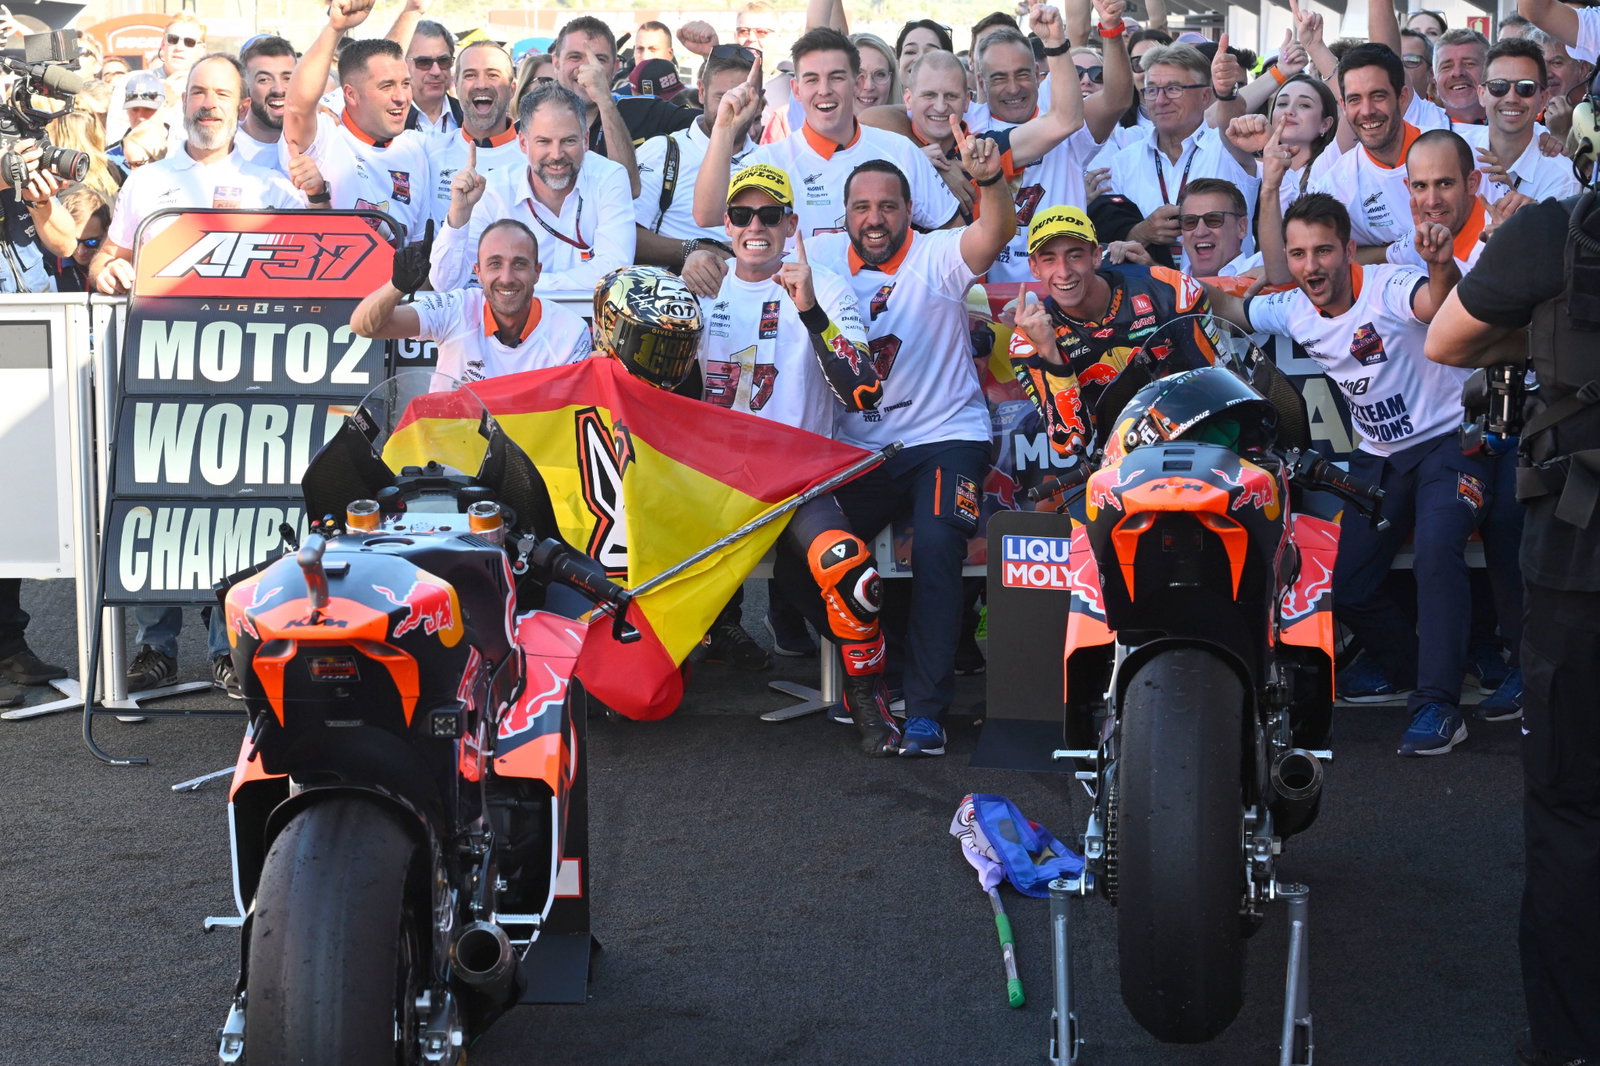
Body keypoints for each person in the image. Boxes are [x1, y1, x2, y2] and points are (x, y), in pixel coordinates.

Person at [1424, 89, 1600, 1066]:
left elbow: (1448, 339)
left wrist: (1545, 336)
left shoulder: (1550, 233)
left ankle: (1571, 1043)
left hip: (1579, 562)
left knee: (1570, 806)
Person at [1205, 192, 1491, 757]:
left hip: (1447, 443)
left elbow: (1440, 304)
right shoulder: (1290, 307)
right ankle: (1421, 671)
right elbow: (1231, 309)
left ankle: (1438, 705)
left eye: (1324, 251)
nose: (1313, 266)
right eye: (1300, 254)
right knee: (1347, 583)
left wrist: (1438, 263)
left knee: (1436, 551)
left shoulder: (1389, 285)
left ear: (1349, 249)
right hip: (1379, 456)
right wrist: (1152, 279)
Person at [88, 53, 310, 696]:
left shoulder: (274, 188)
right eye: (197, 92)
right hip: (161, 374)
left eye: (220, 94)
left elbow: (311, 271)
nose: (207, 103)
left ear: (242, 107)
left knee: (232, 512)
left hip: (247, 379)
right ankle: (154, 648)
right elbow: (111, 255)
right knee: (158, 506)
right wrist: (106, 269)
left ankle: (226, 645)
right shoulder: (145, 182)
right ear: (181, 101)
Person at [803, 135, 1016, 756]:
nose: (875, 219)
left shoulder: (936, 254)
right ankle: (881, 667)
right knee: (799, 554)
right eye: (862, 207)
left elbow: (992, 233)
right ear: (844, 214)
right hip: (858, 452)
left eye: (889, 206)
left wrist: (991, 181)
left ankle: (926, 711)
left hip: (945, 439)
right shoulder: (818, 257)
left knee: (939, 543)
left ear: (909, 211)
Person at [695, 163, 900, 755]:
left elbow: (864, 391)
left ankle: (868, 697)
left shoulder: (826, 283)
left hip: (800, 479)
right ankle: (663, 673)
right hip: (715, 483)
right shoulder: (702, 285)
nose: (754, 226)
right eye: (741, 215)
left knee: (847, 565)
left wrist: (810, 309)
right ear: (727, 224)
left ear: (790, 223)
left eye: (769, 215)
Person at [692, 28, 961, 240]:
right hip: (798, 308)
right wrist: (724, 129)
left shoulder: (899, 151)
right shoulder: (770, 161)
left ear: (856, 84)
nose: (824, 90)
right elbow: (707, 215)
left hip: (889, 309)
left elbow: (954, 234)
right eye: (812, 79)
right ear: (796, 90)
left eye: (836, 77)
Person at [1009, 205, 1218, 460]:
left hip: (1198, 443)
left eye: (1075, 256)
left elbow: (1218, 383)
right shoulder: (1028, 339)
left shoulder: (1171, 290)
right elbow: (1071, 441)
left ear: (1096, 256)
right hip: (1118, 465)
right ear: (1034, 268)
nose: (1063, 272)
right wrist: (1049, 352)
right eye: (1049, 259)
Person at [429, 82, 635, 294]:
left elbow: (614, 273)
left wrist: (518, 285)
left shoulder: (609, 177)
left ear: (585, 140)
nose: (556, 154)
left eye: (568, 141)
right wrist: (459, 214)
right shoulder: (495, 190)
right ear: (523, 144)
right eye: (544, 142)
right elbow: (445, 284)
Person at [350, 217, 591, 385]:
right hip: (449, 451)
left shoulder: (570, 330)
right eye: (495, 264)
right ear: (478, 272)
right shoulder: (456, 307)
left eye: (519, 264)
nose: (506, 278)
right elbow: (364, 326)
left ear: (537, 272)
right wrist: (397, 287)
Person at [282, 0, 438, 240]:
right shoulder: (326, 135)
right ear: (351, 94)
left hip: (395, 278)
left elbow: (417, 243)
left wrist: (412, 11)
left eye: (405, 84)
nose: (401, 98)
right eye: (387, 87)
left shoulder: (415, 149)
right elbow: (297, 106)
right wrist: (335, 28)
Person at [1104, 42, 1260, 261]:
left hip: (1226, 291)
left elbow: (1231, 120)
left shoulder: (1228, 148)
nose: (1160, 100)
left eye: (1173, 89)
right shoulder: (1124, 161)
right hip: (1153, 291)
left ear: (1206, 97)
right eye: (1152, 90)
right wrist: (1142, 231)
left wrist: (1227, 92)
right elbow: (1118, 237)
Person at [634, 45, 762, 267]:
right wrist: (695, 250)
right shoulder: (663, 151)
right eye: (722, 97)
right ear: (701, 92)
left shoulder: (771, 160)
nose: (732, 107)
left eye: (744, 98)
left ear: (760, 100)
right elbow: (626, 237)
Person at [1461, 38, 1579, 206]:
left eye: (1525, 87)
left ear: (1543, 98)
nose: (1511, 98)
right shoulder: (1456, 151)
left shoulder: (1563, 176)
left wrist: (1525, 213)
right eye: (1498, 86)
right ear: (1481, 94)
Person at [429, 41, 522, 228]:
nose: (481, 84)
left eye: (493, 75)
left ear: (512, 88)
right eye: (470, 75)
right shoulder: (429, 150)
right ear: (456, 86)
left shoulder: (535, 157)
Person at [236, 35, 295, 175]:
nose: (279, 89)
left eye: (287, 78)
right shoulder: (226, 147)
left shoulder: (318, 142)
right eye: (264, 80)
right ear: (245, 85)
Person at [399, 18, 462, 136]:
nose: (436, 71)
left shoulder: (469, 118)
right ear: (404, 64)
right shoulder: (386, 121)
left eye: (443, 61)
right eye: (424, 62)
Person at [1434, 27, 1490, 125]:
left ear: (1490, 71)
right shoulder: (1423, 119)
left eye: (1469, 64)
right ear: (1434, 79)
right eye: (1447, 66)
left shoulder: (1510, 123)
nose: (1457, 73)